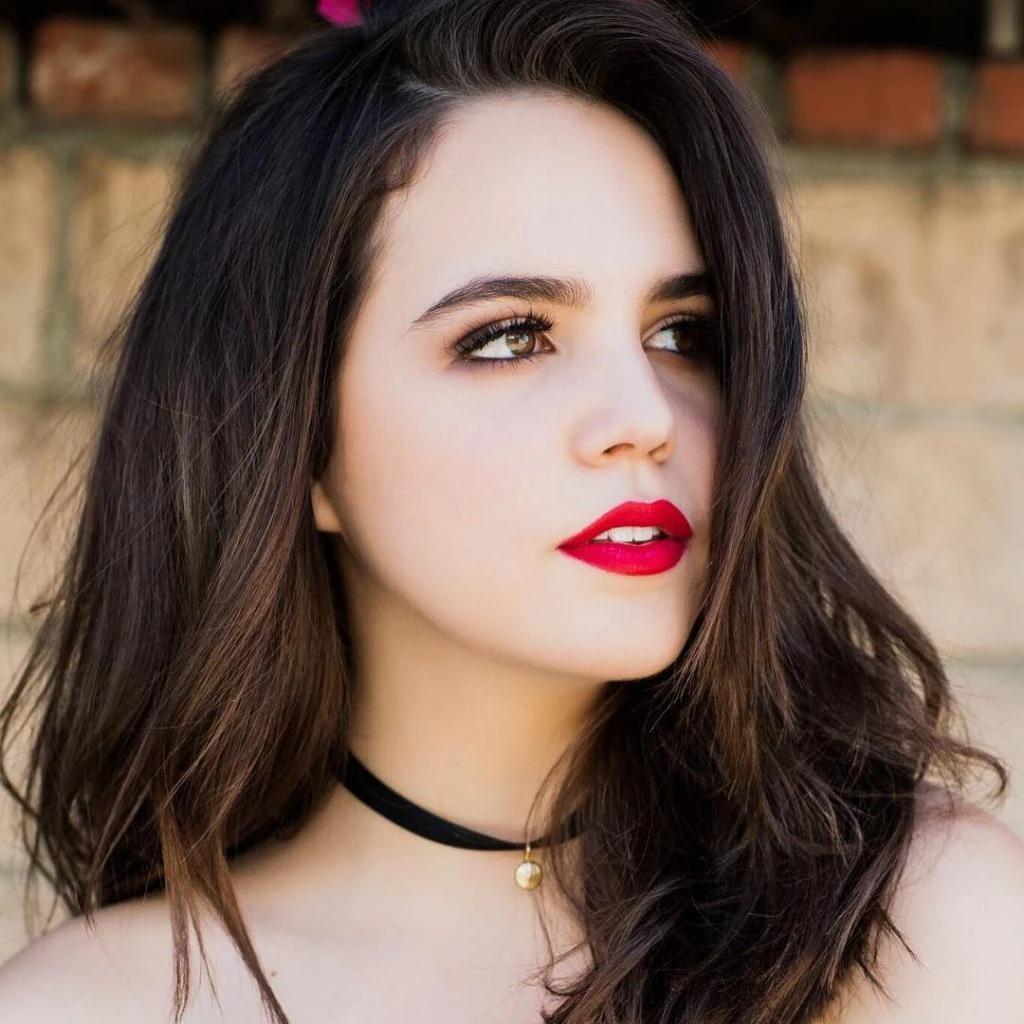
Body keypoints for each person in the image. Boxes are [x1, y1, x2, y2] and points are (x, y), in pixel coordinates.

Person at [1, 0, 1023, 1020]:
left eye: (682, 334)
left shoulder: (915, 924)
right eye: (510, 337)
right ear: (293, 441)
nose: (643, 418)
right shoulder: (95, 1003)